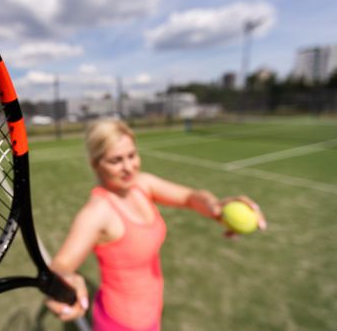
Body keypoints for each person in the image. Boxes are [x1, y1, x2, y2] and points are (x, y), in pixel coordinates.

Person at [46, 118, 266, 330]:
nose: (129, 167)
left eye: (132, 155)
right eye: (116, 160)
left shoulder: (142, 185)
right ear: (96, 164)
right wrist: (64, 281)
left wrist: (215, 206)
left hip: (151, 311)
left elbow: (189, 197)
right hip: (122, 322)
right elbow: (61, 266)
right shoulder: (97, 212)